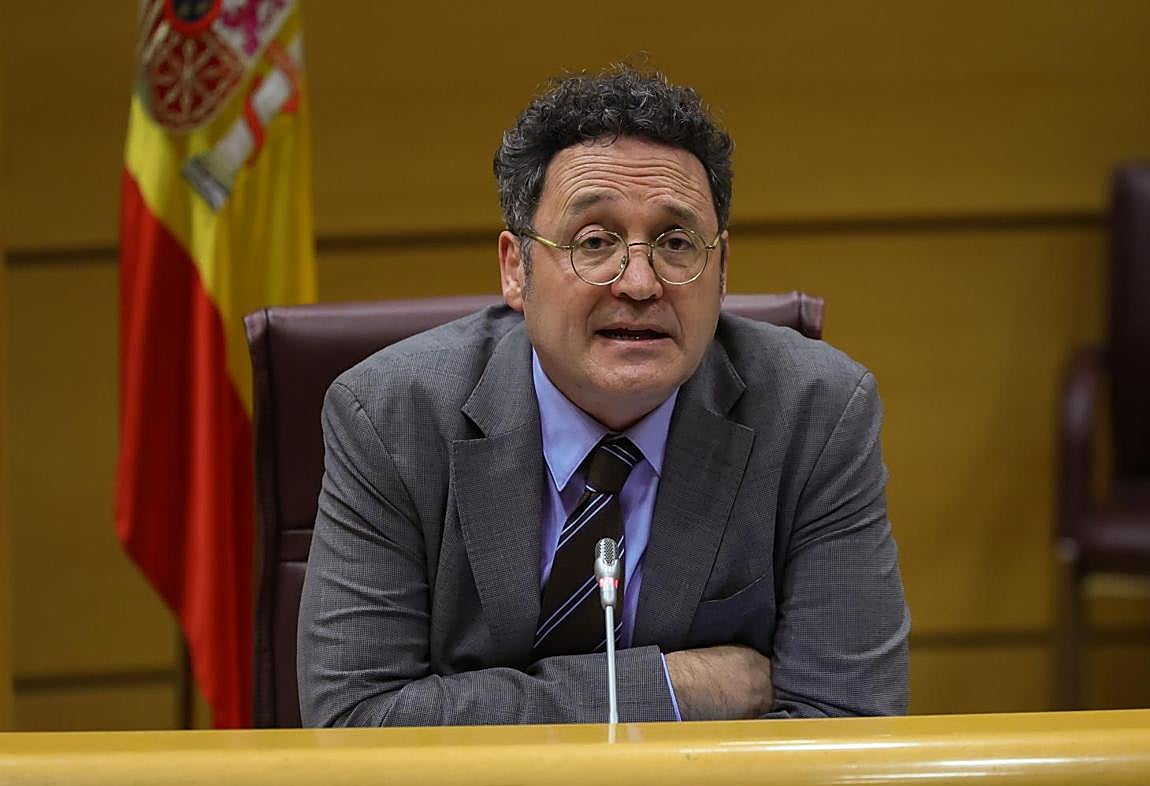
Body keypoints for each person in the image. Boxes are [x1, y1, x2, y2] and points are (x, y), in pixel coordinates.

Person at [298, 65, 910, 726]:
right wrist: (671, 687)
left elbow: (848, 723)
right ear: (515, 268)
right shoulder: (390, 416)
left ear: (722, 270)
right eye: (595, 242)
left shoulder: (816, 412)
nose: (640, 282)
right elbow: (355, 720)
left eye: (677, 243)